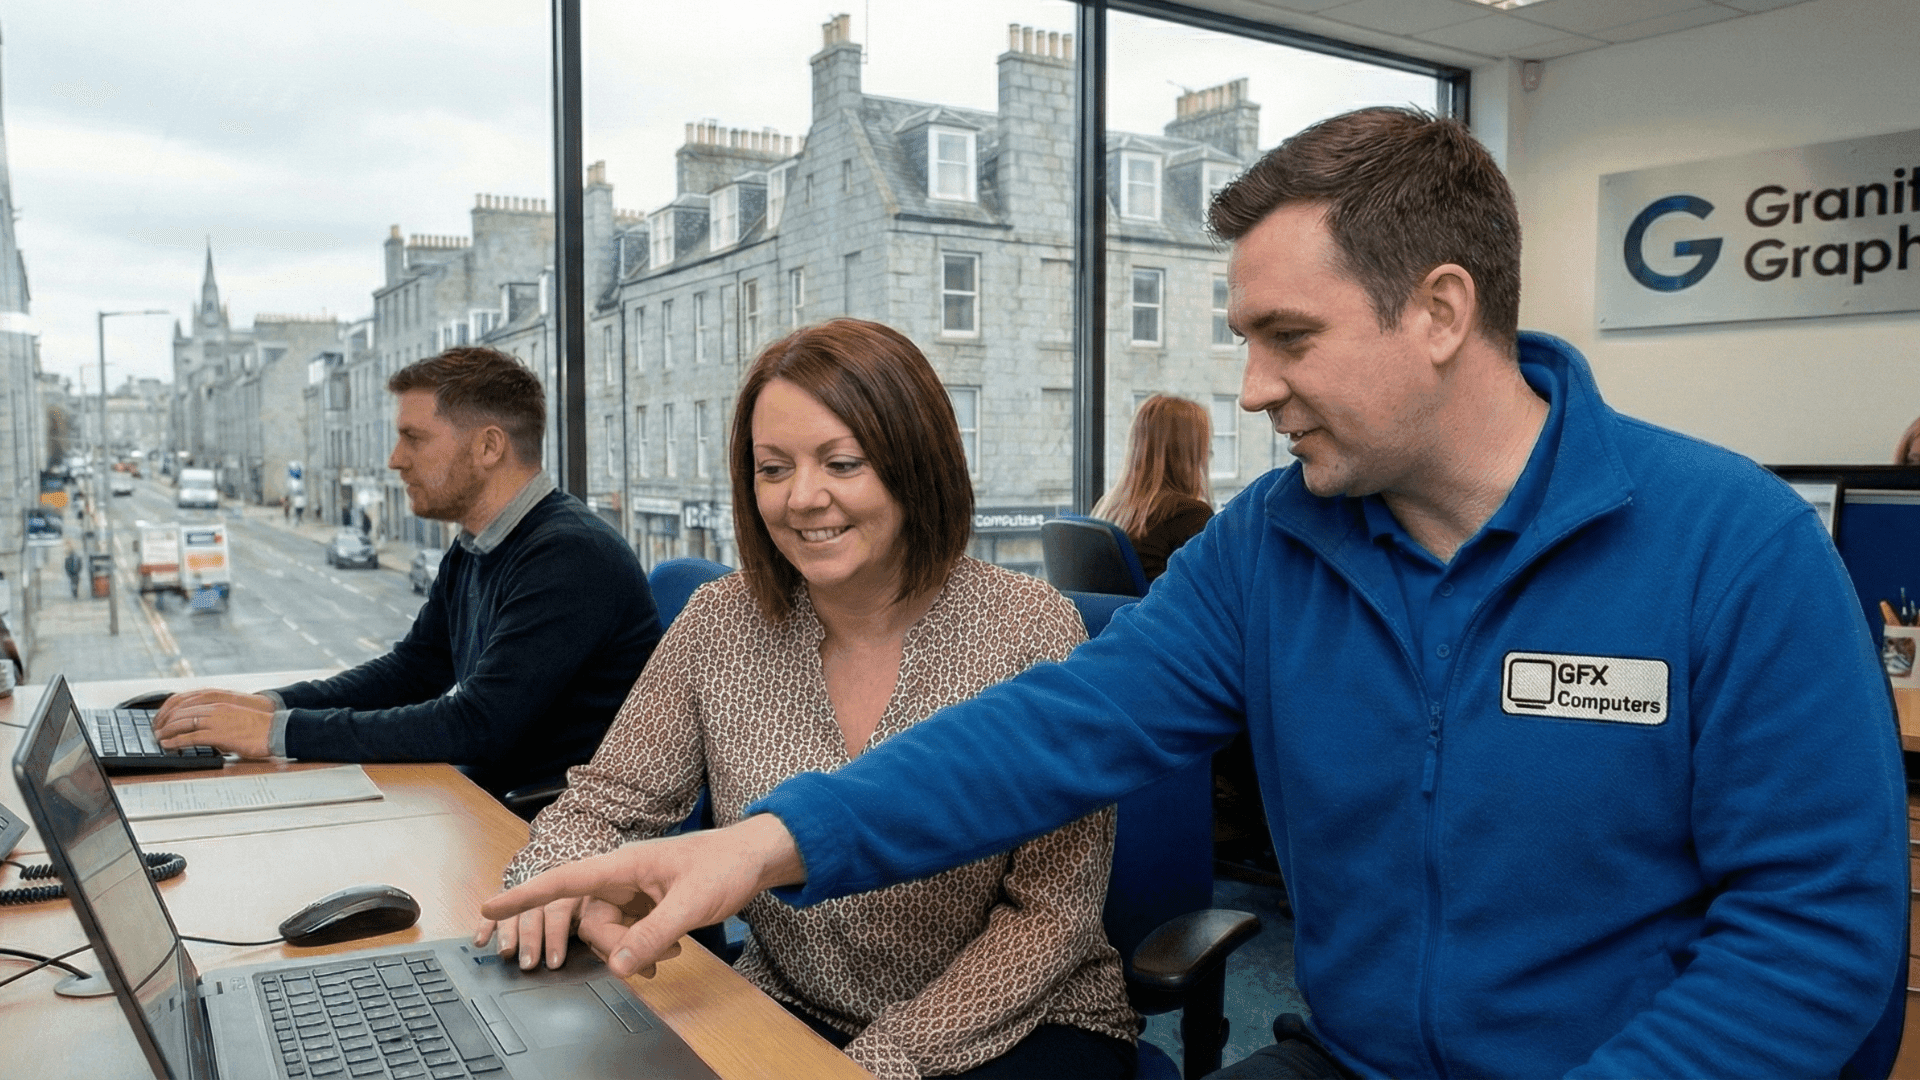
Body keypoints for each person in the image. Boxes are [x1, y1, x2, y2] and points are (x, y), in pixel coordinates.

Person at [483, 109, 1909, 1078]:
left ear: (1442, 312)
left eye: (1290, 335)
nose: (1251, 386)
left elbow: (1815, 944)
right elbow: (1051, 733)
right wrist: (769, 844)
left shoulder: (1735, 548)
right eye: (1244, 336)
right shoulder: (1270, 547)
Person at [475, 319, 1137, 1080]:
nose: (803, 498)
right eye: (773, 468)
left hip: (1017, 1020)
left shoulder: (1031, 628)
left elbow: (1050, 919)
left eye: (842, 462)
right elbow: (607, 800)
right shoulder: (719, 622)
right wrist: (542, 889)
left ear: (916, 465)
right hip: (791, 1003)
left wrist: (879, 1062)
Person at [154, 346, 661, 800]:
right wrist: (268, 706)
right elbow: (413, 670)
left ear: (489, 447)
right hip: (486, 803)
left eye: (413, 438)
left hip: (551, 835)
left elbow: (479, 725)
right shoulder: (477, 545)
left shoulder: (568, 555)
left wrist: (275, 733)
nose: (396, 460)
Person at [1093, 394, 1213, 582]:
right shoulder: (1189, 515)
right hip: (1160, 612)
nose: (1208, 455)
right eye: (1204, 448)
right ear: (1189, 454)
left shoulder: (1109, 508)